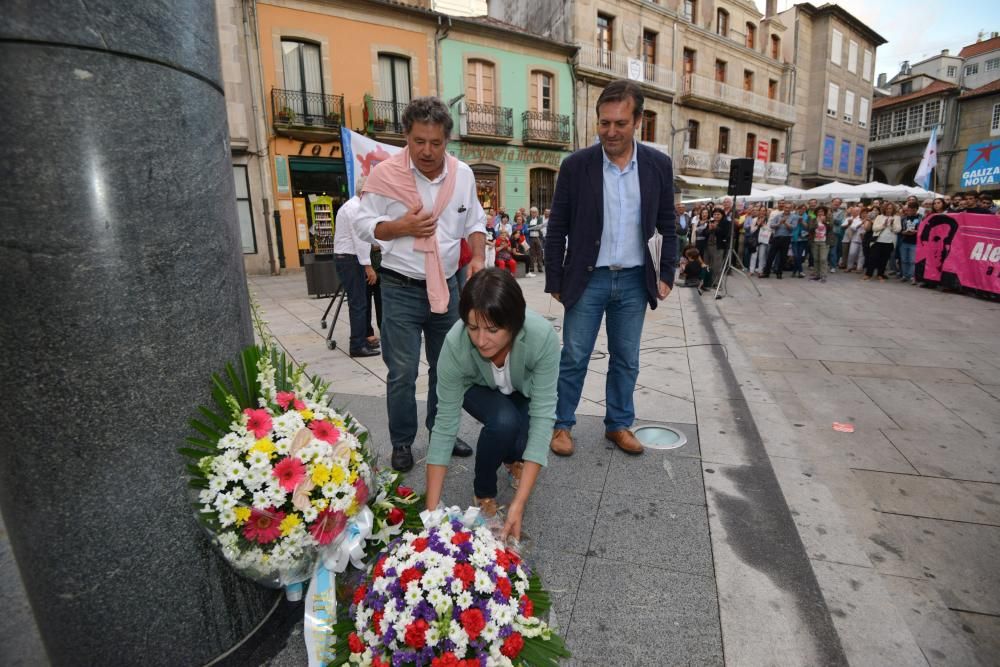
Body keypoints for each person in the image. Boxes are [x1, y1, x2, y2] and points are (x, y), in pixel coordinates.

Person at [543, 79, 676, 457]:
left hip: (635, 280)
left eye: (620, 123)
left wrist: (666, 273)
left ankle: (618, 424)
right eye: (604, 123)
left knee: (626, 358)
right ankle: (561, 425)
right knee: (574, 355)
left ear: (637, 122)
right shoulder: (576, 166)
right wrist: (555, 277)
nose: (611, 131)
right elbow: (557, 227)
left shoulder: (657, 166)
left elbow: (667, 223)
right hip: (588, 279)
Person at [355, 96, 486, 472]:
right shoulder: (384, 174)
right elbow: (363, 224)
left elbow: (475, 222)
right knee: (402, 372)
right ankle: (401, 442)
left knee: (446, 369)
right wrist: (401, 227)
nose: (427, 151)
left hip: (447, 286)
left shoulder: (463, 175)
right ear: (406, 138)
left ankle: (442, 432)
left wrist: (476, 258)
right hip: (399, 287)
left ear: (448, 140)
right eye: (418, 141)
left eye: (436, 143)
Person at [425, 268, 559, 533]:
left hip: (522, 389)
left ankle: (513, 461)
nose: (481, 340)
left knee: (524, 436)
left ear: (514, 323)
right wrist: (430, 512)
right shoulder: (455, 345)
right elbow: (444, 428)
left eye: (493, 329)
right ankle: (484, 492)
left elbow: (544, 418)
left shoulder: (541, 337)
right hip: (477, 387)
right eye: (473, 327)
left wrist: (519, 504)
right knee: (504, 421)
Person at [332, 195, 380, 357]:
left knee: (360, 302)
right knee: (358, 303)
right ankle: (357, 345)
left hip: (349, 258)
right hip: (350, 259)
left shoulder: (353, 206)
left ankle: (361, 341)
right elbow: (360, 239)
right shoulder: (355, 208)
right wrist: (368, 266)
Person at [864, 202, 901, 282]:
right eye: (887, 208)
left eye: (890, 208)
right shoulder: (879, 217)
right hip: (878, 240)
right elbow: (874, 228)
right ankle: (868, 274)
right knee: (873, 258)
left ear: (893, 209)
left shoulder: (896, 217)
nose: (888, 210)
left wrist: (892, 225)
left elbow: (898, 230)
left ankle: (880, 274)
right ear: (884, 209)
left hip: (889, 242)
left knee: (884, 259)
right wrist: (883, 225)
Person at [762, 202, 793, 279]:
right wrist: (779, 223)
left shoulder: (793, 217)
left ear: (791, 209)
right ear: (784, 208)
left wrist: (785, 222)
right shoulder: (778, 216)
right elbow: (771, 225)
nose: (787, 209)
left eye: (789, 208)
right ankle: (766, 273)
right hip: (776, 238)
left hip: (786, 238)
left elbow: (792, 228)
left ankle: (779, 273)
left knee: (783, 257)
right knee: (770, 256)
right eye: (786, 207)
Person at [898, 203, 921, 284]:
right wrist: (904, 232)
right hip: (904, 241)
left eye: (912, 210)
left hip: (915, 242)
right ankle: (905, 275)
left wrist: (916, 231)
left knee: (912, 261)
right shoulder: (904, 218)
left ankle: (912, 276)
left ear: (916, 209)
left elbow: (922, 229)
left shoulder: (920, 218)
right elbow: (899, 229)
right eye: (909, 210)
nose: (910, 211)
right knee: (904, 260)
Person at [808, 206, 830, 282]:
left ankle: (823, 276)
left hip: (824, 241)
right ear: (816, 212)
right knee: (816, 259)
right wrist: (817, 223)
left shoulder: (828, 219)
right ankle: (817, 275)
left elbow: (831, 227)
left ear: (824, 212)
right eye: (819, 211)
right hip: (815, 241)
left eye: (822, 211)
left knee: (823, 259)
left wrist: (824, 222)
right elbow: (810, 229)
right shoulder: (813, 219)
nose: (820, 213)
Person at [526, 206, 545, 277]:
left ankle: (540, 267)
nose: (534, 213)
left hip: (538, 237)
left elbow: (539, 226)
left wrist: (532, 227)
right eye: (532, 212)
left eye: (535, 212)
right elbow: (527, 227)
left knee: (539, 252)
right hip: (531, 237)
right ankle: (531, 267)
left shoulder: (539, 218)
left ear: (537, 213)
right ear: (531, 213)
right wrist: (534, 227)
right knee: (531, 253)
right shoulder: (528, 218)